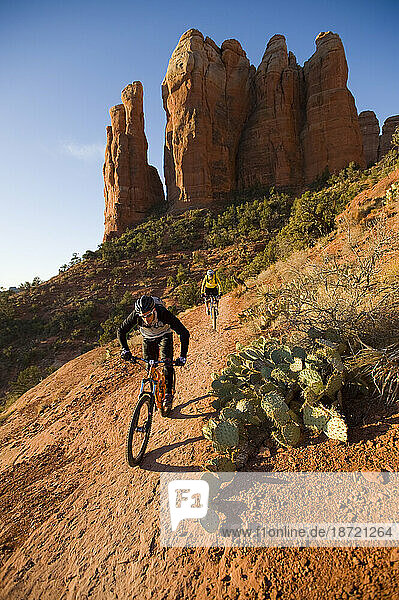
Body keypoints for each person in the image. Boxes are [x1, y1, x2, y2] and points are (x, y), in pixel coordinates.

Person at [118, 295, 189, 412]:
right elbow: (121, 331)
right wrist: (125, 350)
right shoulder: (136, 315)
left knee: (167, 363)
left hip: (164, 335)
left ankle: (168, 394)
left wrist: (182, 356)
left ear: (154, 310)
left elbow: (184, 333)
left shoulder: (163, 313)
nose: (146, 319)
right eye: (143, 316)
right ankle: (154, 395)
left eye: (148, 315)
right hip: (147, 338)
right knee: (150, 367)